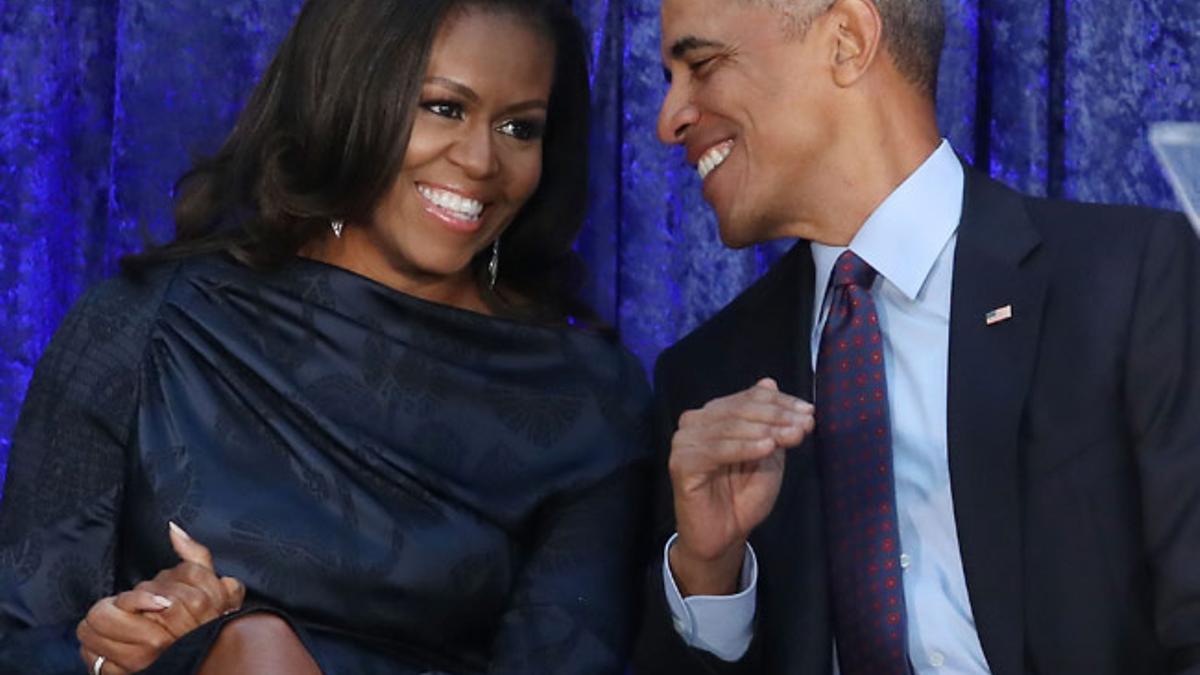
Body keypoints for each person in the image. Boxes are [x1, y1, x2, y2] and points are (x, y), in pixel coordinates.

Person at [0, 0, 653, 673]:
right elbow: (17, 638)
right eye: (443, 108)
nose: (482, 159)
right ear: (347, 95)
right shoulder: (149, 323)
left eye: (519, 126)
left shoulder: (588, 402)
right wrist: (141, 652)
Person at [633, 0, 1200, 673]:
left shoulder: (1126, 282)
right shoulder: (705, 379)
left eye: (702, 65)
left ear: (847, 40)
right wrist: (708, 569)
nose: (670, 120)